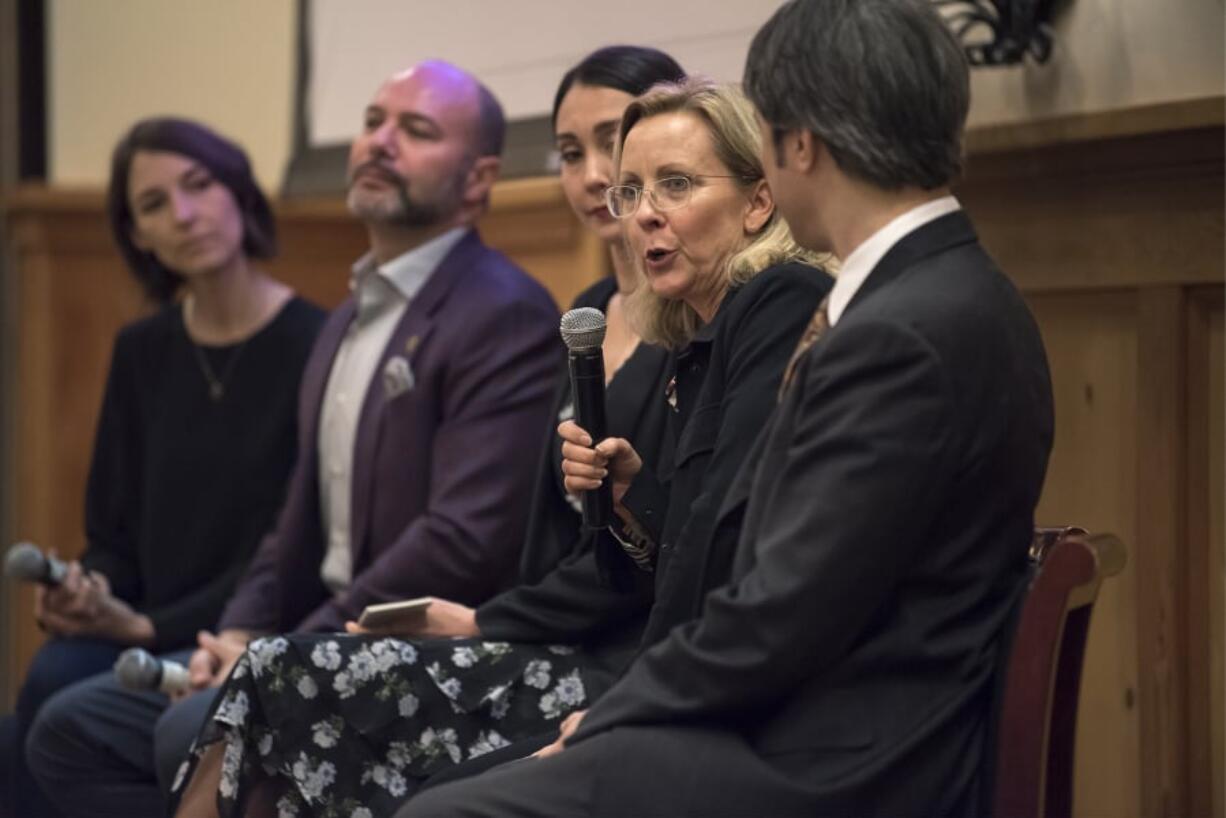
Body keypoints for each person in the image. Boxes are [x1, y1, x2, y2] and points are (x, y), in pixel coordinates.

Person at [403, 0, 1056, 815]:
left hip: (841, 761)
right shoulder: (941, 290)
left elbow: (785, 612)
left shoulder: (902, 331)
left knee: (442, 810)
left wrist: (615, 712)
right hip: (819, 717)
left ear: (797, 145)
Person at [170, 75, 830, 817]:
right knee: (277, 706)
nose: (644, 215)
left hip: (680, 686)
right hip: (643, 667)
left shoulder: (775, 302)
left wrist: (623, 707)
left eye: (674, 185)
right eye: (631, 191)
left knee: (368, 757)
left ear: (759, 200)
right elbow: (677, 546)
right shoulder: (691, 332)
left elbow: (732, 562)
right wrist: (629, 502)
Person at [25, 60, 561, 818]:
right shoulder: (350, 317)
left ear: (478, 180)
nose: (379, 142)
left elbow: (463, 540)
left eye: (416, 130)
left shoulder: (501, 313)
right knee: (68, 729)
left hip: (424, 649)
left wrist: (278, 652)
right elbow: (290, 527)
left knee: (185, 727)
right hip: (311, 638)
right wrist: (241, 630)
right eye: (373, 121)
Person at [0, 117, 325, 818]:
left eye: (198, 185)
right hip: (141, 626)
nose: (183, 214)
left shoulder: (317, 343)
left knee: (53, 707)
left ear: (238, 191)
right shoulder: (141, 350)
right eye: (153, 205)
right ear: (138, 235)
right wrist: (90, 592)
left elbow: (290, 551)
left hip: (244, 629)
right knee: (48, 674)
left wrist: (142, 627)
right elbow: (110, 531)